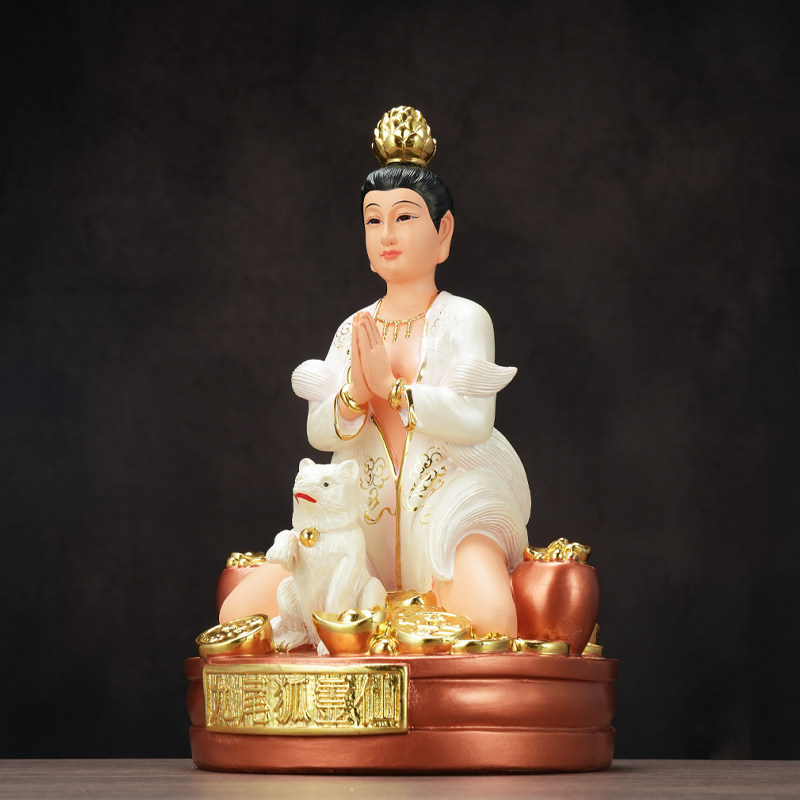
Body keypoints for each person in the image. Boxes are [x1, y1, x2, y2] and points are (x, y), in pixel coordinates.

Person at [221, 107, 530, 636]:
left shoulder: (463, 319)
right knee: (238, 614)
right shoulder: (353, 328)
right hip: (358, 526)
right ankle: (368, 622)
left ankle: (383, 623)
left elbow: (476, 420)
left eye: (405, 217)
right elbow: (318, 430)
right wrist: (353, 397)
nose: (387, 233)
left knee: (492, 620)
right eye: (373, 219)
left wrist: (395, 391)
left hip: (445, 514)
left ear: (443, 231)